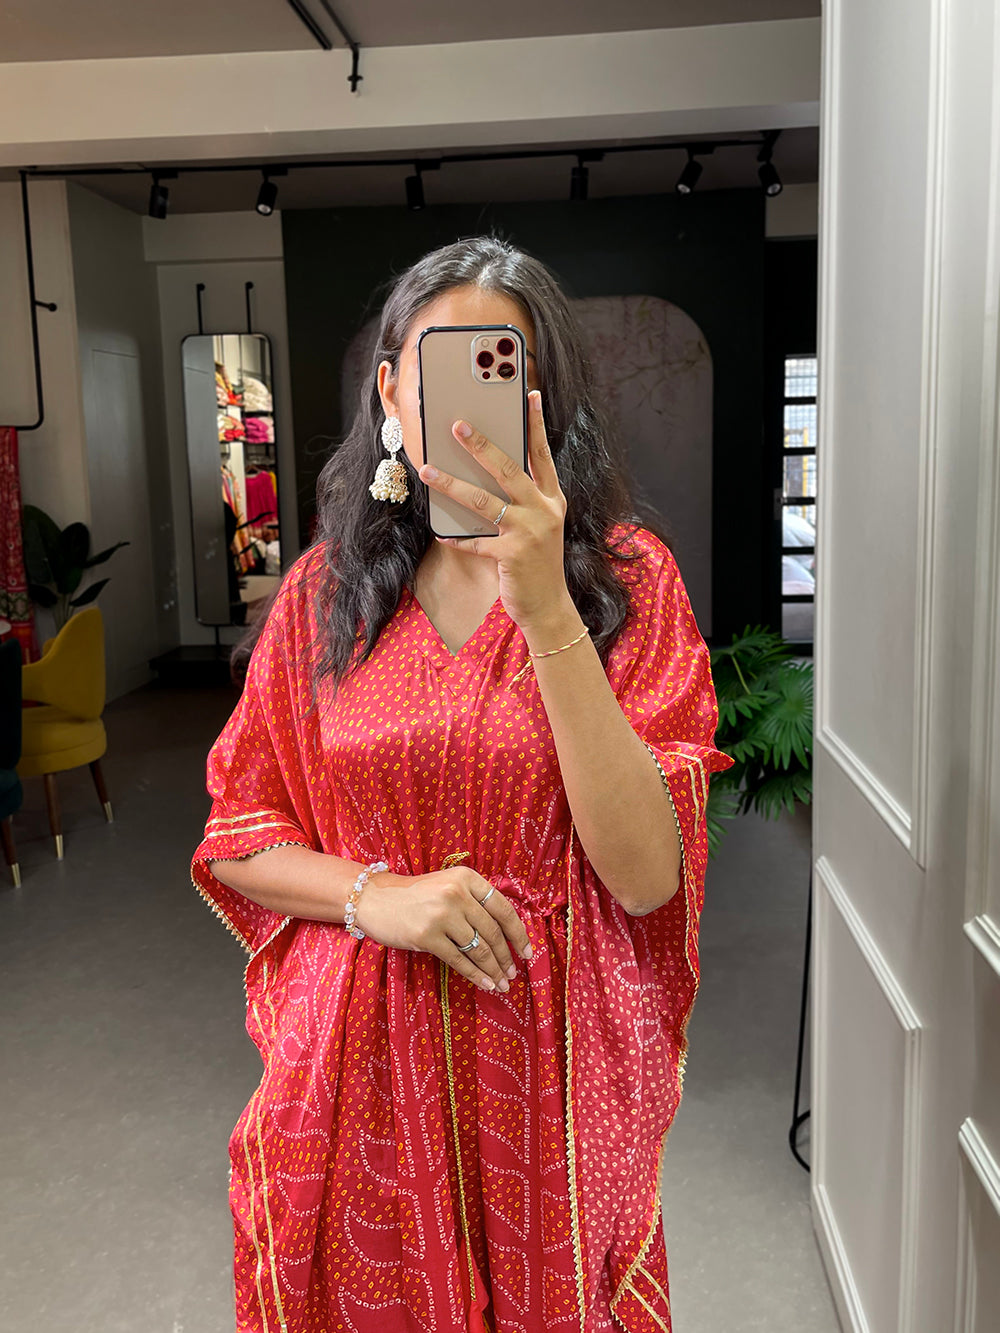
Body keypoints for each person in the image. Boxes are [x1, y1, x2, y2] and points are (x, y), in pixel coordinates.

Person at [190, 234, 736, 1333]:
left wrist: (545, 606)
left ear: (545, 398)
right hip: (357, 1078)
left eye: (501, 365)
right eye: (438, 368)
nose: (468, 408)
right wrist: (376, 896)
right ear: (391, 390)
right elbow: (240, 834)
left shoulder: (629, 586)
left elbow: (644, 878)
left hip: (550, 1082)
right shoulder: (325, 596)